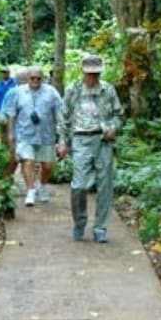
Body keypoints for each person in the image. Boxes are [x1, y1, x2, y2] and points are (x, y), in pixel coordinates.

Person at [57, 55, 122, 242]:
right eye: (89, 74)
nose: (93, 77)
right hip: (80, 139)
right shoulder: (73, 91)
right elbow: (64, 118)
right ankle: (79, 221)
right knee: (79, 185)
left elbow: (118, 115)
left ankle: (100, 228)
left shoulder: (108, 90)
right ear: (83, 72)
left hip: (102, 140)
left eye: (96, 74)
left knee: (105, 186)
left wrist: (113, 128)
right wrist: (62, 141)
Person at [7, 66, 62, 207]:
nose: (35, 81)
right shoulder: (18, 92)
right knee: (28, 161)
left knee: (48, 165)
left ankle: (42, 186)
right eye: (32, 78)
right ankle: (30, 190)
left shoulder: (51, 92)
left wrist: (61, 137)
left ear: (42, 78)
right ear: (27, 78)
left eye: (38, 78)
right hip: (25, 134)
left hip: (47, 135)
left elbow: (60, 114)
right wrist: (10, 133)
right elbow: (11, 114)